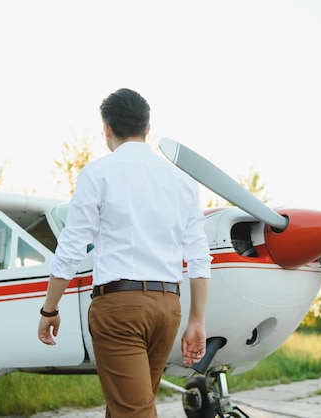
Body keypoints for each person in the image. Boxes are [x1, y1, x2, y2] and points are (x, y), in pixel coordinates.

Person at [38, 88, 211, 417]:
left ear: (106, 128)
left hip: (119, 309)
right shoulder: (182, 182)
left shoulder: (97, 173)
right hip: (168, 308)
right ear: (148, 127)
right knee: (127, 407)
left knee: (132, 411)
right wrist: (197, 321)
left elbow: (71, 248)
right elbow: (199, 256)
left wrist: (49, 310)